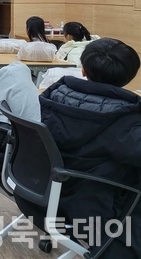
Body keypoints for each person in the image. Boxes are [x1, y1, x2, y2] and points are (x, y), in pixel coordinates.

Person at [40, 38, 141, 258]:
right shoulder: (126, 121)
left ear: (83, 70)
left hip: (41, 192)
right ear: (130, 76)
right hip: (91, 206)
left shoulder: (53, 95)